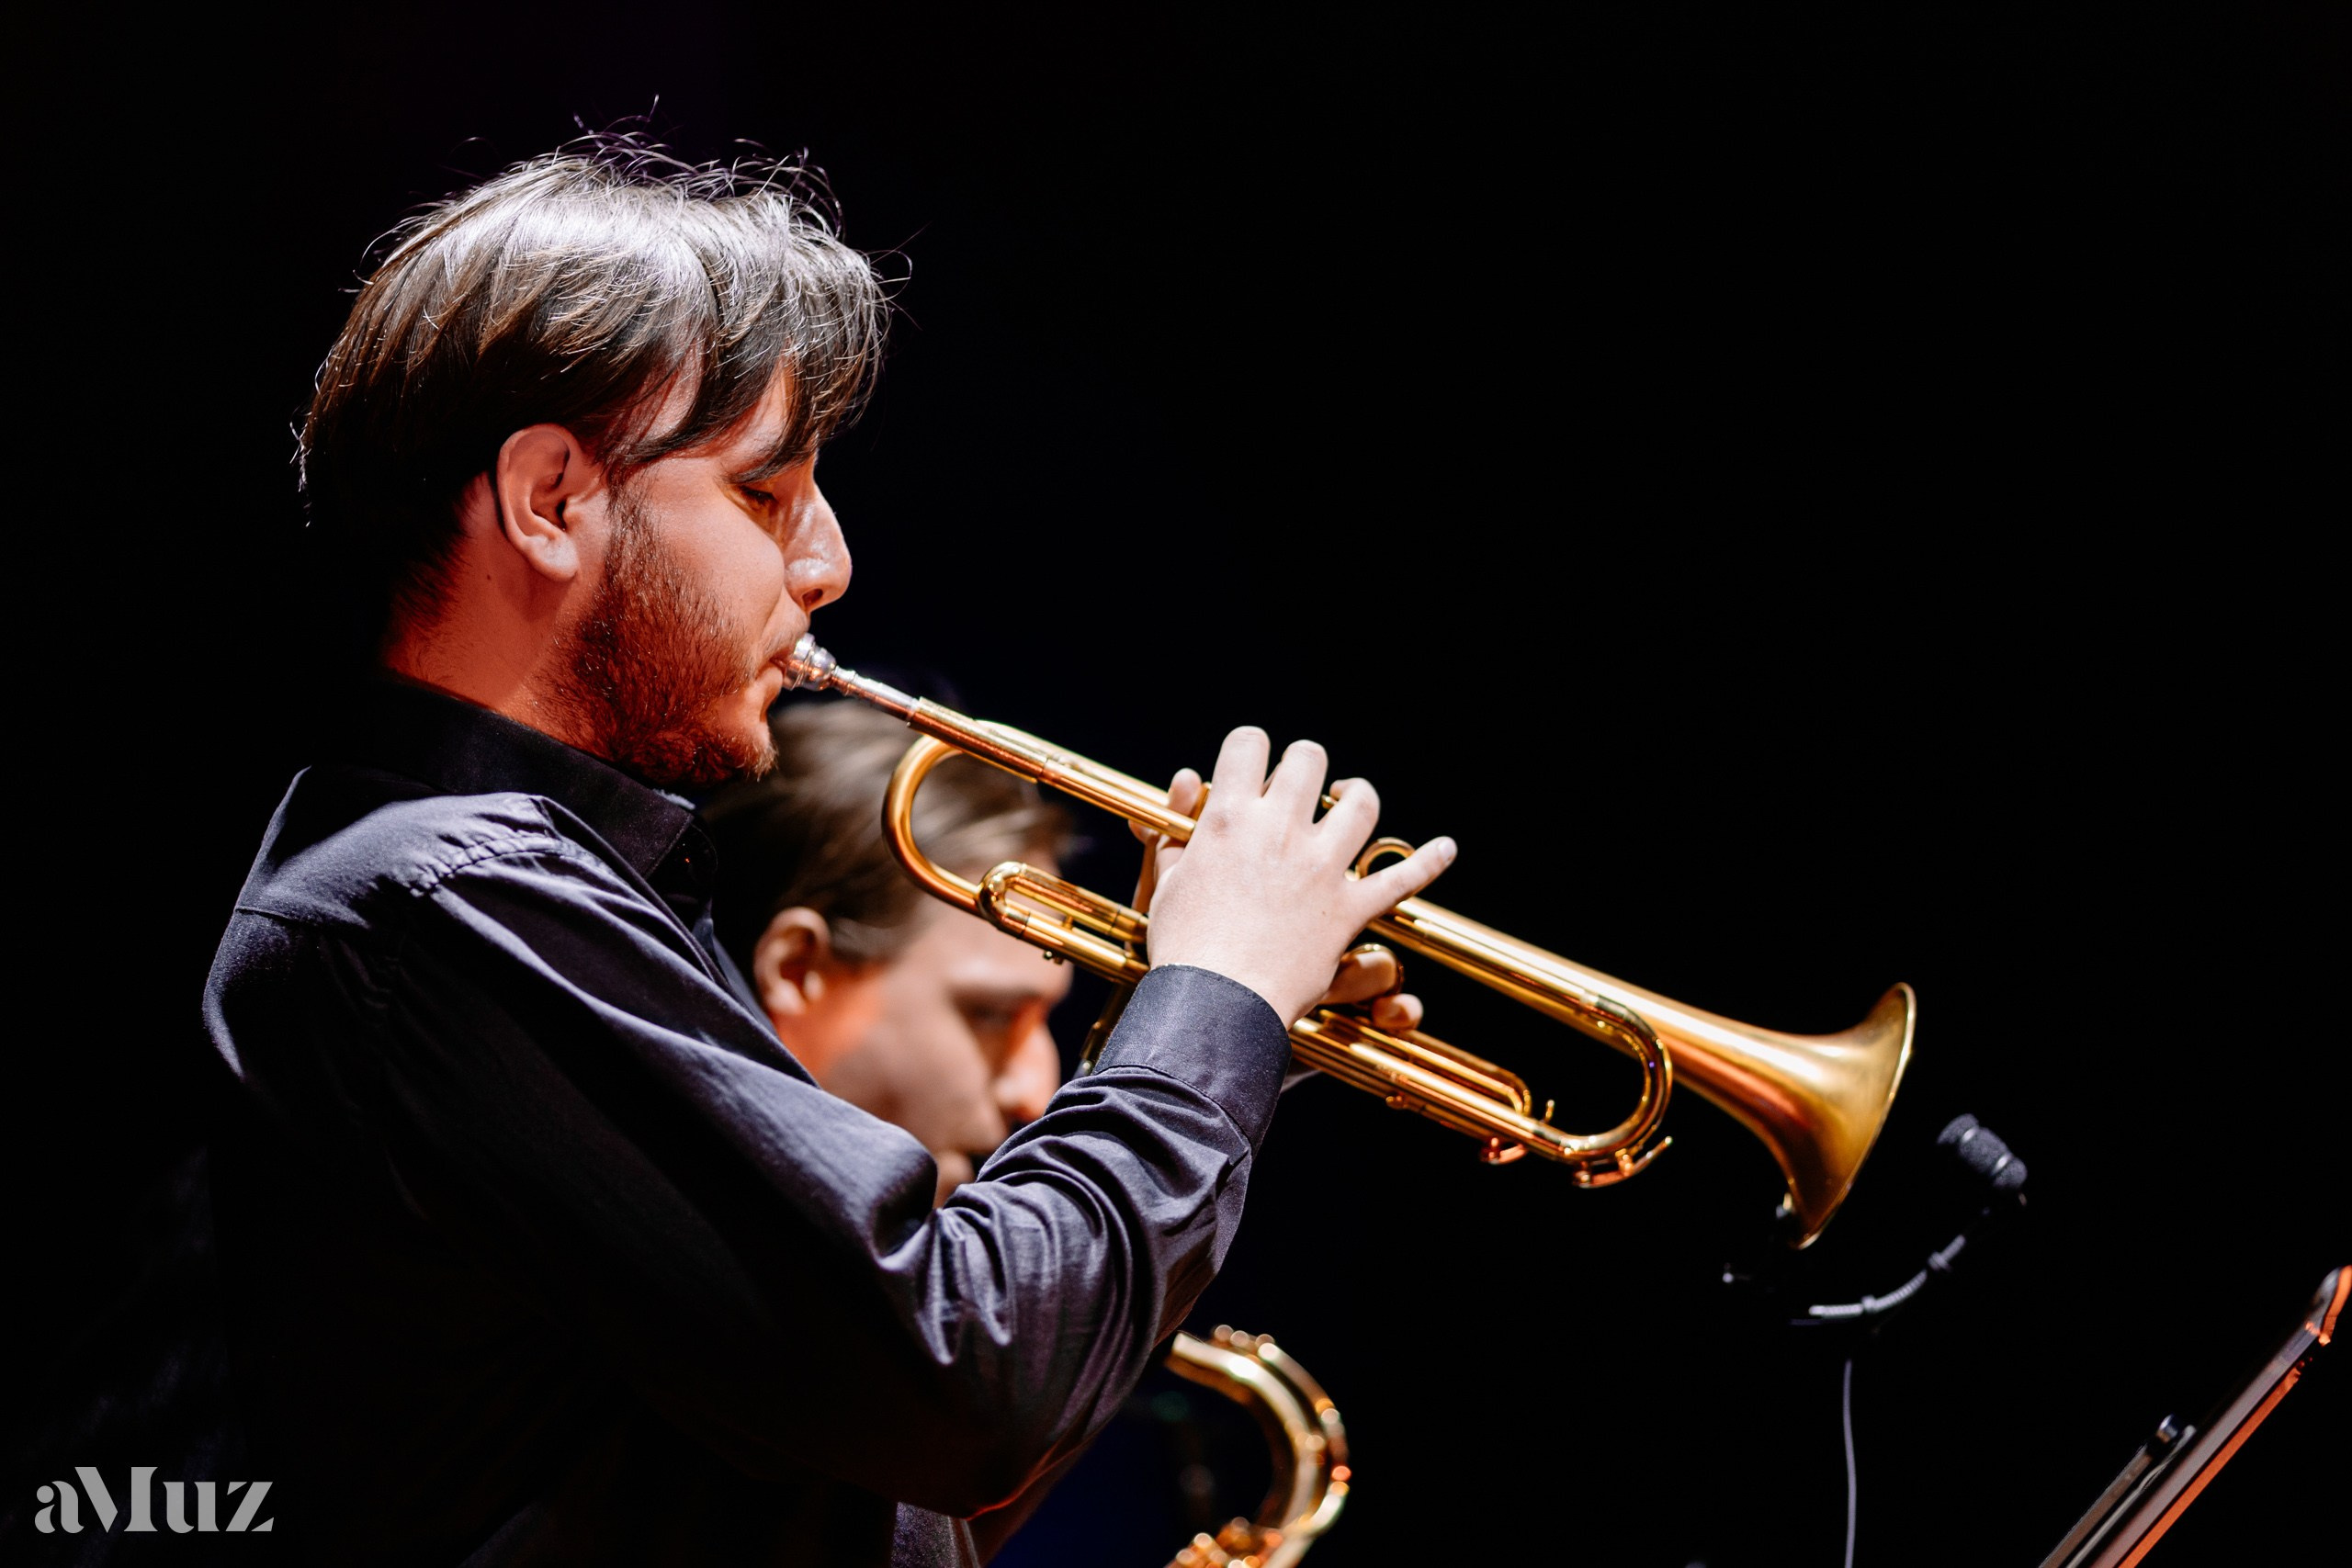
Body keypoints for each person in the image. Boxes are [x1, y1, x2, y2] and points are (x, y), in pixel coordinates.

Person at [202, 137, 1453, 1567]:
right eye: (765, 489)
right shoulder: (439, 900)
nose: (829, 561)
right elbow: (965, 1381)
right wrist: (1213, 1004)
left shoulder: (497, 889)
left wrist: (1215, 1029)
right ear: (551, 499)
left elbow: (904, 1482)